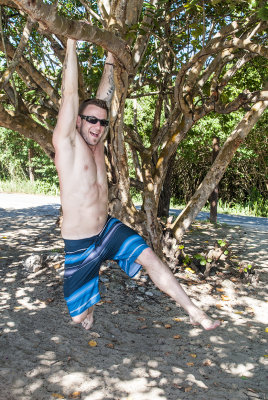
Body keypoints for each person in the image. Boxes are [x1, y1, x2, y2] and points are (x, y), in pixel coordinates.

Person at [53, 39, 220, 331]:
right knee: (79, 317)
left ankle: (193, 311)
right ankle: (89, 307)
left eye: (102, 123)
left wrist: (109, 57)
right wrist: (70, 43)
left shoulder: (96, 141)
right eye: (91, 120)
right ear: (77, 120)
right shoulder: (66, 143)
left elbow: (104, 96)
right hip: (80, 243)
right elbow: (70, 93)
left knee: (151, 258)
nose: (97, 126)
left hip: (106, 228)